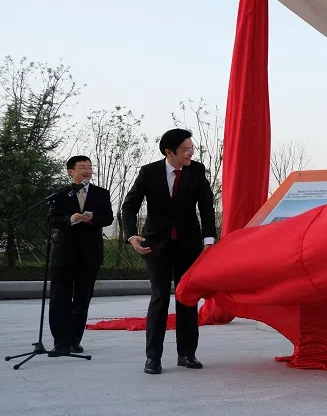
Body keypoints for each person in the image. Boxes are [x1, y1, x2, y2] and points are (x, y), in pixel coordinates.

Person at [122, 128, 216, 375]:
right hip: (156, 245)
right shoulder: (149, 172)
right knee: (160, 297)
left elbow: (206, 206)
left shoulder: (196, 170)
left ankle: (186, 354)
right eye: (186, 150)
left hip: (188, 244)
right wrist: (131, 236)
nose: (191, 153)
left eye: (192, 148)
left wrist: (209, 241)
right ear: (169, 152)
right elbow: (129, 206)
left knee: (187, 298)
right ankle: (153, 358)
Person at [47, 156, 114, 356]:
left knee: (83, 298)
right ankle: (60, 343)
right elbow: (52, 220)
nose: (87, 171)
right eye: (82, 167)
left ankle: (75, 341)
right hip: (64, 254)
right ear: (70, 172)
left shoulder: (101, 194)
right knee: (60, 298)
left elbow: (108, 217)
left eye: (89, 167)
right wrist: (69, 219)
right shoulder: (59, 194)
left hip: (89, 253)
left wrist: (93, 218)